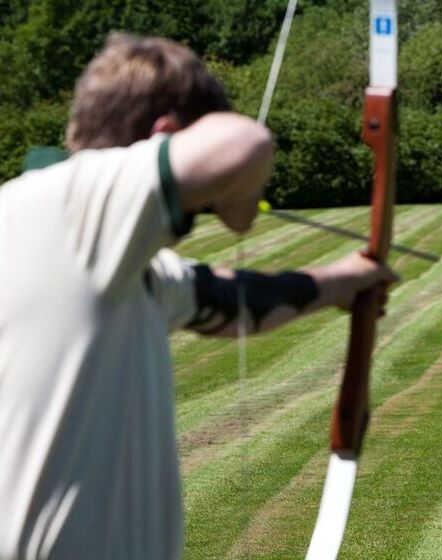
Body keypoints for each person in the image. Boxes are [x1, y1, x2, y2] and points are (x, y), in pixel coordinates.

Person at [0, 33, 396, 559]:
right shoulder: (70, 206)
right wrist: (239, 206)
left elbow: (226, 299)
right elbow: (242, 144)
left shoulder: (112, 261)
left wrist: (345, 281)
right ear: (164, 136)